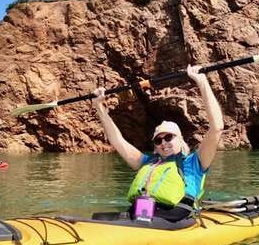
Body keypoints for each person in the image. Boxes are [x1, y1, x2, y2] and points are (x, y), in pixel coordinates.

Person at [91, 65, 224, 222]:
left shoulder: (195, 162)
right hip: (143, 214)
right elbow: (117, 141)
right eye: (158, 140)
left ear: (180, 141)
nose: (163, 143)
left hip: (175, 217)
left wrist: (202, 82)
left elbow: (216, 128)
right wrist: (99, 107)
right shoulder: (146, 162)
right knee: (98, 217)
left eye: (169, 137)